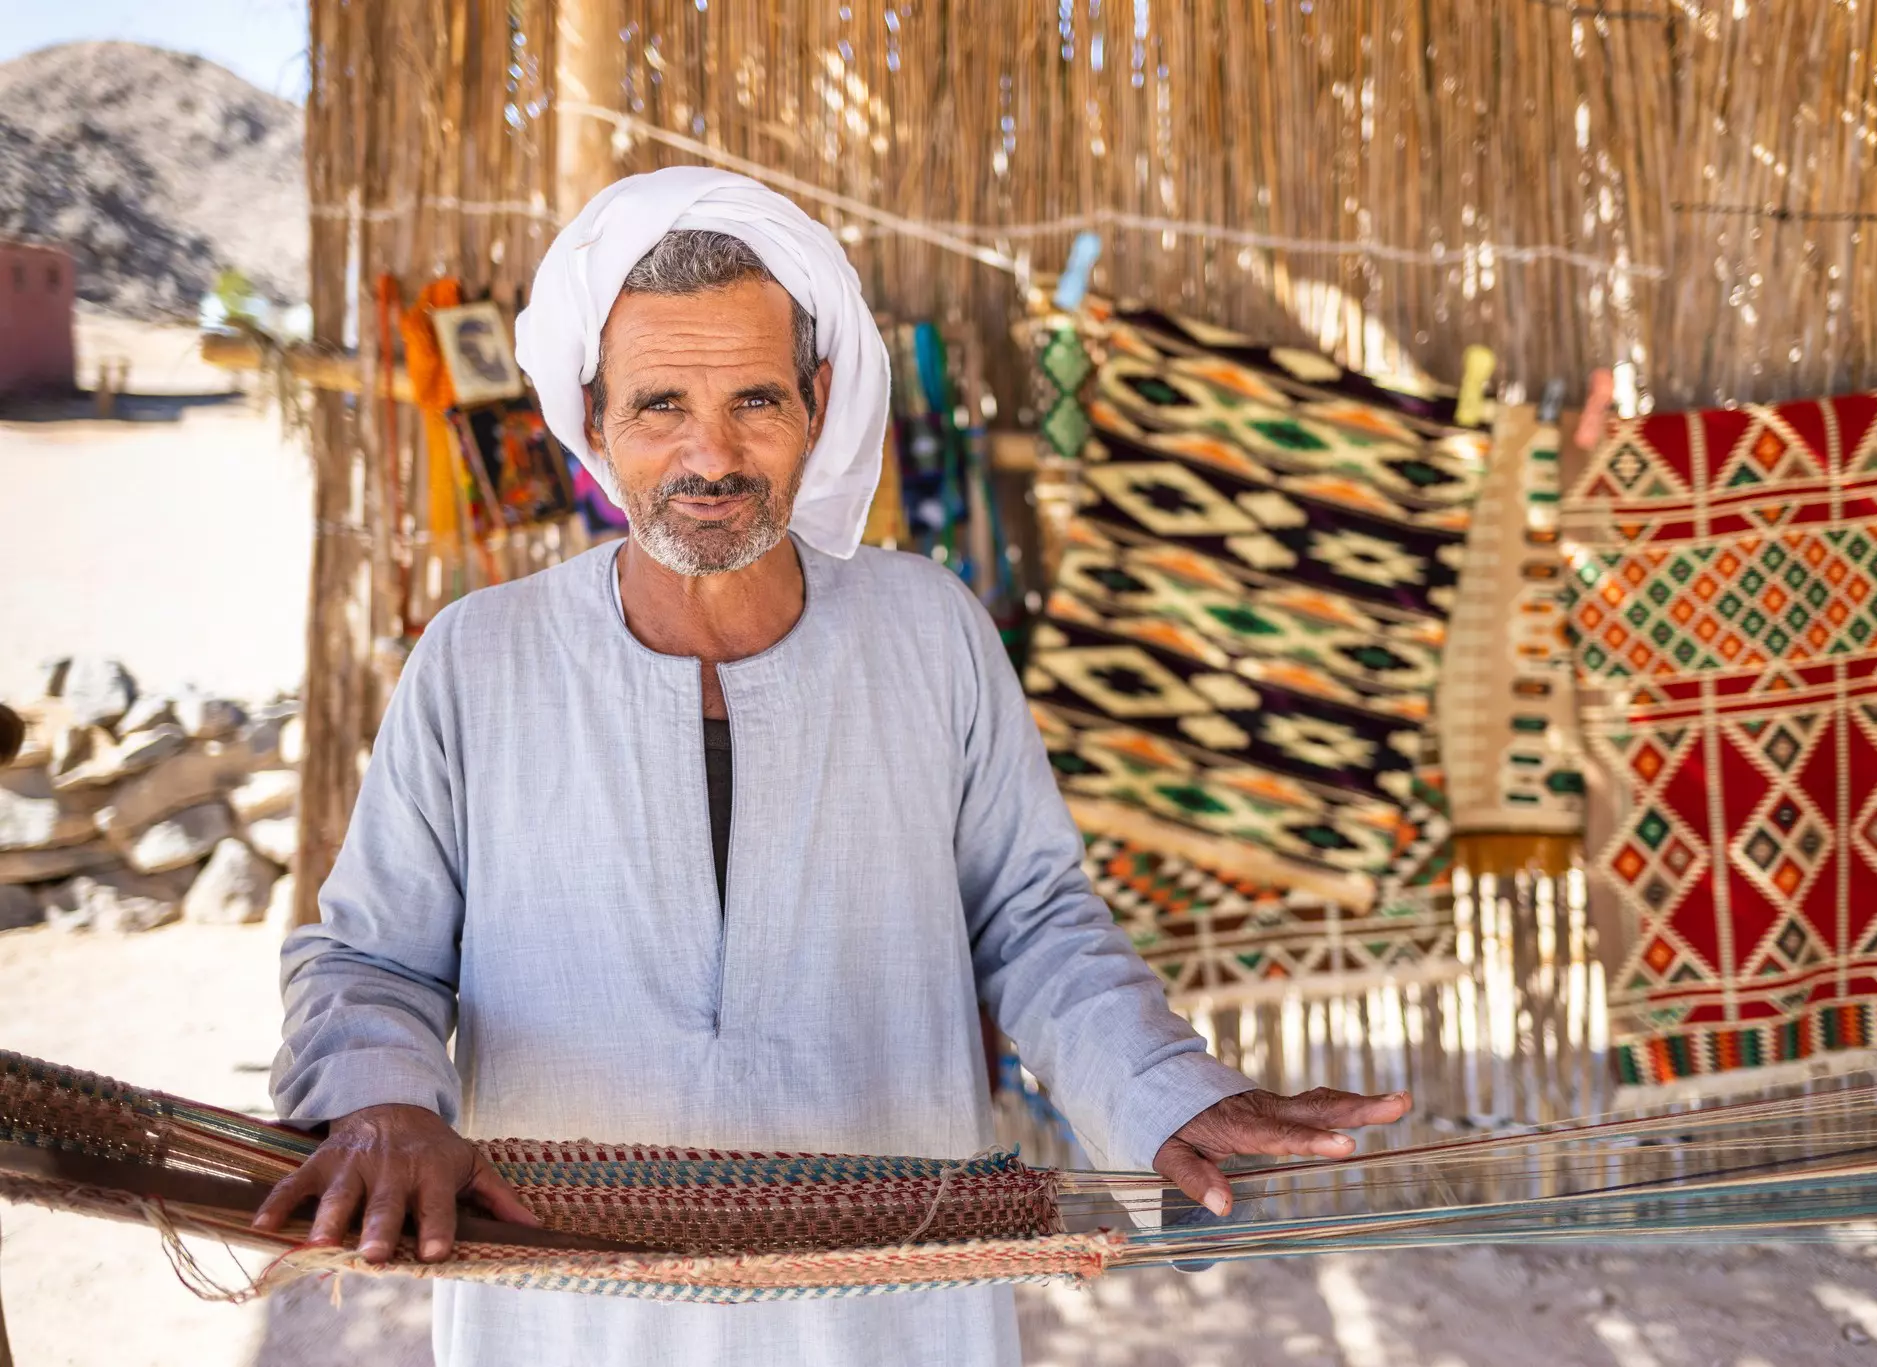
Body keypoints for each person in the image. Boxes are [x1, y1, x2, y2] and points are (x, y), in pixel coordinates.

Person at [256, 167, 1411, 1367]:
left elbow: (1029, 920)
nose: (710, 456)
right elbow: (369, 956)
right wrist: (385, 1100)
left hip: (894, 1312)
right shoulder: (478, 658)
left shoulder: (929, 629)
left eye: (755, 399)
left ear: (816, 400)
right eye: (660, 405)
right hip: (568, 1314)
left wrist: (1158, 1084)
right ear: (592, 420)